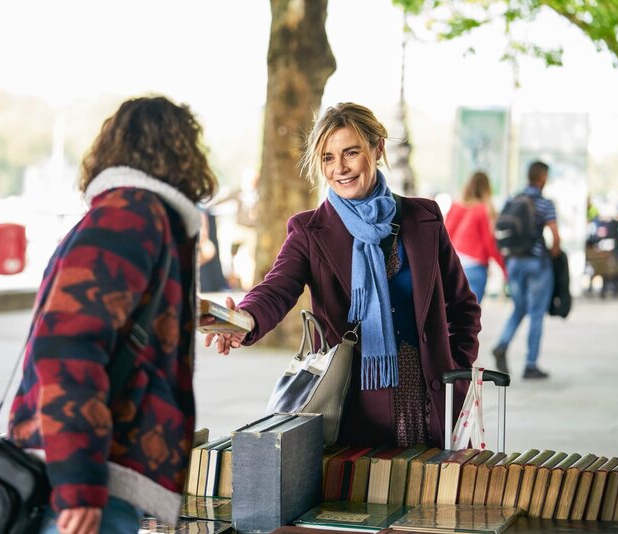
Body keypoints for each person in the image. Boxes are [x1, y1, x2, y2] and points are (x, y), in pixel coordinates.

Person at [204, 102, 480, 449]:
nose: (340, 168)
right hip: (355, 409)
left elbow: (463, 307)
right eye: (328, 158)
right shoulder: (311, 231)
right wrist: (243, 319)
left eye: (351, 153)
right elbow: (276, 288)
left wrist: (456, 372)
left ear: (378, 148)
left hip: (433, 404)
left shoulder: (423, 218)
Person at [7, 96, 217, 534]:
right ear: (179, 150)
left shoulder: (124, 213)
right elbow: (66, 343)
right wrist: (79, 483)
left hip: (92, 468)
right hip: (85, 477)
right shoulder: (133, 213)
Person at [492, 161, 560, 380]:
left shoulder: (513, 199)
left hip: (514, 262)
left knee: (519, 308)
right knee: (536, 313)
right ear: (542, 178)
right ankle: (531, 364)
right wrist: (554, 252)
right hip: (536, 262)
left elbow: (500, 227)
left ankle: (502, 344)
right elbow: (555, 236)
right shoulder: (544, 203)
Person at [444, 171, 506, 303]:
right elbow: (489, 242)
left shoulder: (456, 207)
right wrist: (505, 269)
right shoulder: (483, 209)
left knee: (453, 319)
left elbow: (445, 237)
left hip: (454, 267)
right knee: (470, 319)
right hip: (474, 267)